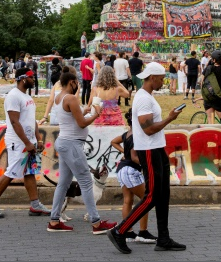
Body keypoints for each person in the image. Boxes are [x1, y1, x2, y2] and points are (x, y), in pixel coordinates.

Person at [107, 62, 185, 254]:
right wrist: (170, 118)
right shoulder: (143, 99)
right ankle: (120, 231)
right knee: (151, 196)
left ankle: (163, 238)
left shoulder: (148, 97)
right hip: (149, 150)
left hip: (157, 149)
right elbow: (148, 129)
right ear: (152, 77)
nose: (163, 81)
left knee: (163, 194)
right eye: (161, 78)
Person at [47, 71, 116, 234]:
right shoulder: (70, 98)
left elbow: (72, 117)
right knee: (85, 182)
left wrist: (85, 111)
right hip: (72, 145)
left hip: (65, 143)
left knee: (63, 184)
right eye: (76, 82)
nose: (78, 84)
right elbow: (82, 123)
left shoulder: (59, 97)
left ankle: (54, 220)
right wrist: (95, 115)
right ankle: (96, 222)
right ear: (71, 82)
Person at [0, 68, 50, 218]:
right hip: (17, 142)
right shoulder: (13, 96)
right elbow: (14, 122)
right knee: (12, 171)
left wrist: (38, 139)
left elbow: (31, 121)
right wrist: (27, 142)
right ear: (23, 78)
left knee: (29, 172)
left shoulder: (27, 97)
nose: (34, 80)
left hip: (28, 141)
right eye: (32, 77)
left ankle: (35, 205)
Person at [110, 110, 158, 245]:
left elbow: (113, 141)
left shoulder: (127, 134)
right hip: (131, 170)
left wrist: (123, 152)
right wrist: (148, 164)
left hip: (121, 169)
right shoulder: (137, 135)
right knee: (146, 200)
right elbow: (134, 157)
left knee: (128, 200)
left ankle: (128, 233)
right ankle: (143, 232)